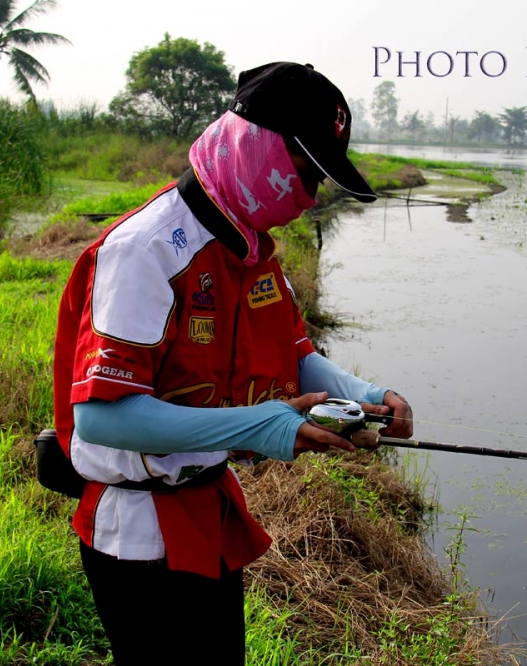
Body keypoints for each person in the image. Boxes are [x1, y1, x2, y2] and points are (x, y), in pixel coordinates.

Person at [52, 61, 413, 665]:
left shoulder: (251, 247)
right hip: (138, 530)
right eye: (305, 173)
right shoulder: (145, 250)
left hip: (210, 506)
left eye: (319, 183)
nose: (310, 196)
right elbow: (101, 421)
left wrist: (370, 395)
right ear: (256, 145)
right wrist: (262, 425)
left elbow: (296, 357)